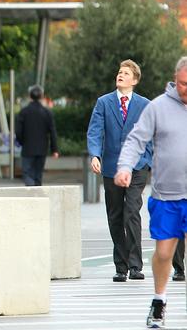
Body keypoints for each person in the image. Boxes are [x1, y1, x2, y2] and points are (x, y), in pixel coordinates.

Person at [115, 56, 187, 329]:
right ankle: (159, 300)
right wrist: (125, 166)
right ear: (175, 78)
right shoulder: (158, 108)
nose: (185, 89)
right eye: (182, 84)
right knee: (164, 254)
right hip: (167, 195)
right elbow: (136, 139)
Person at [87, 59, 152, 283]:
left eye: (125, 73)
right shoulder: (103, 103)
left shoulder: (144, 105)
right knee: (115, 215)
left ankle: (135, 265)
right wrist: (95, 154)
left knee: (131, 212)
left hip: (137, 167)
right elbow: (95, 131)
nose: (120, 75)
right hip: (111, 167)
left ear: (134, 80)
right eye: (119, 72)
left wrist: (148, 159)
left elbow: (152, 133)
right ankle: (121, 266)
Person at [15, 85, 59, 187]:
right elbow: (52, 132)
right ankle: (37, 194)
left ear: (30, 96)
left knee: (27, 173)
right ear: (42, 96)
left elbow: (18, 131)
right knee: (38, 174)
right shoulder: (47, 112)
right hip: (42, 149)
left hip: (27, 148)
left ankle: (31, 192)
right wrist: (54, 150)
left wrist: (21, 142)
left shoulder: (23, 112)